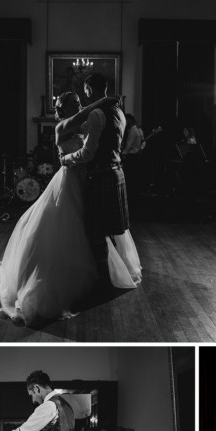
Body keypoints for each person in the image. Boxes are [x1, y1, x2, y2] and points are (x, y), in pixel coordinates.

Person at [0, 92, 132, 325]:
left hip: (87, 182)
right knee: (64, 228)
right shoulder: (62, 127)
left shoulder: (86, 124)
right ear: (61, 110)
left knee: (90, 229)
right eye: (72, 104)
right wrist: (104, 101)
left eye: (78, 102)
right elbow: (84, 133)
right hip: (68, 182)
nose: (77, 106)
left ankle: (96, 279)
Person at [60, 72, 141, 296]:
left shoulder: (96, 113)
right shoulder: (119, 112)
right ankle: (113, 275)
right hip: (117, 173)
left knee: (96, 233)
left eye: (84, 92)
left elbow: (88, 153)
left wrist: (65, 159)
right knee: (111, 231)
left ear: (88, 89)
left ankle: (103, 282)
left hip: (101, 175)